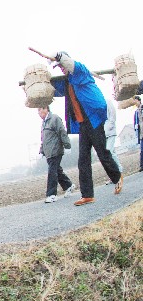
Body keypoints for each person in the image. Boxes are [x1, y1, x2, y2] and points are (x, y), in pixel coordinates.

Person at [35, 51, 122, 206]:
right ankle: (87, 195)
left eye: (62, 65)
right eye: (59, 67)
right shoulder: (66, 82)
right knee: (83, 160)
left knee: (102, 153)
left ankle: (117, 176)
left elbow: (70, 63)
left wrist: (58, 57)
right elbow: (51, 90)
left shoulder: (81, 71)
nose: (61, 68)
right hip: (82, 124)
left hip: (93, 119)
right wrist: (34, 88)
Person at [37, 106, 76, 203]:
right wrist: (41, 151)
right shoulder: (44, 123)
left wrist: (67, 146)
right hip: (48, 153)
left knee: (52, 172)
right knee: (57, 171)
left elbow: (62, 131)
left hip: (56, 150)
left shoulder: (54, 118)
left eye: (39, 110)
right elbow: (43, 139)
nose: (38, 113)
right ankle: (69, 186)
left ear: (46, 109)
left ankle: (52, 194)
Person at [104, 97, 123, 183]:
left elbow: (112, 114)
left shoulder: (107, 101)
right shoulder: (98, 104)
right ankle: (114, 174)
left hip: (110, 131)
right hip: (103, 133)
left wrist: (110, 125)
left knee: (109, 152)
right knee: (111, 152)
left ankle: (119, 171)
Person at [134, 95, 143, 171]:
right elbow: (135, 123)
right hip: (141, 134)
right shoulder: (136, 112)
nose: (135, 103)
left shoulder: (142, 108)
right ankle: (142, 166)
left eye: (136, 101)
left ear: (139, 101)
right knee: (142, 149)